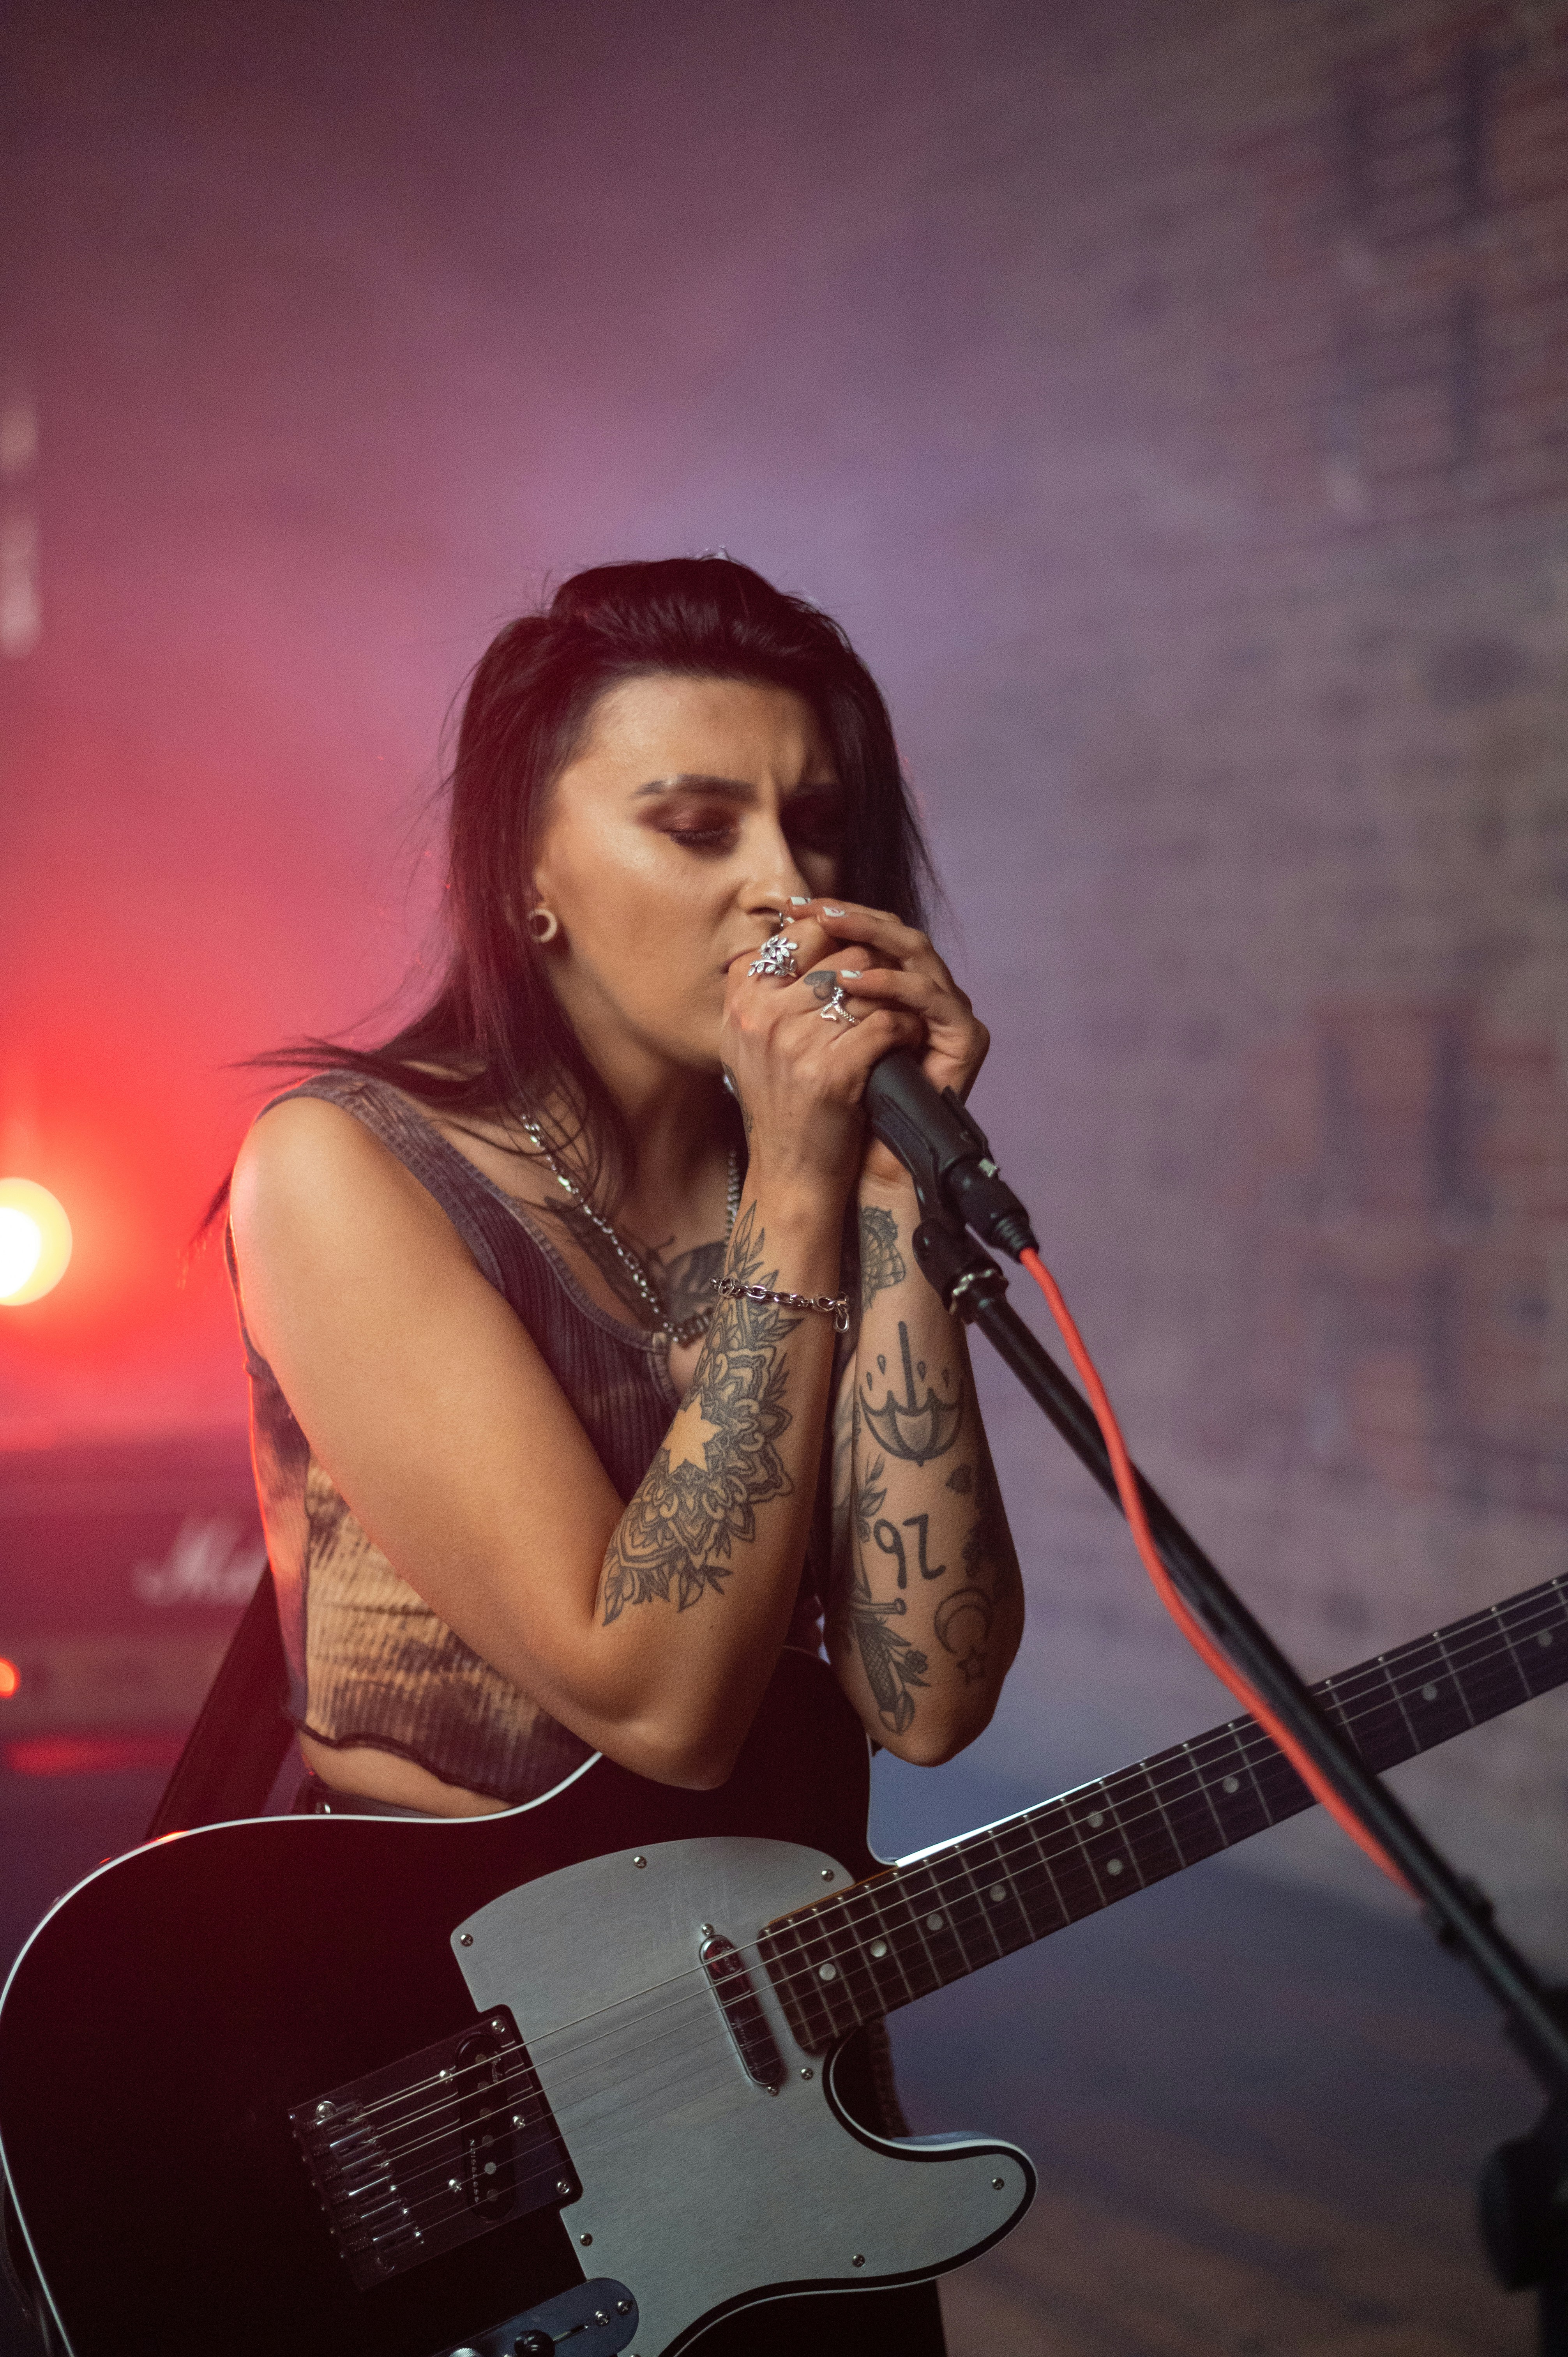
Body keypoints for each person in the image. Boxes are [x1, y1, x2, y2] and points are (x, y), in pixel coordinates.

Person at [226, 554, 1024, 2355]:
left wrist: (886, 1199)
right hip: (458, 2103)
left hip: (773, 2065)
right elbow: (656, 1702)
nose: (788, 894)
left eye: (818, 829)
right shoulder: (342, 1169)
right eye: (694, 824)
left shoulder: (809, 1180)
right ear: (530, 876)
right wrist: (807, 1198)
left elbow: (930, 1690)